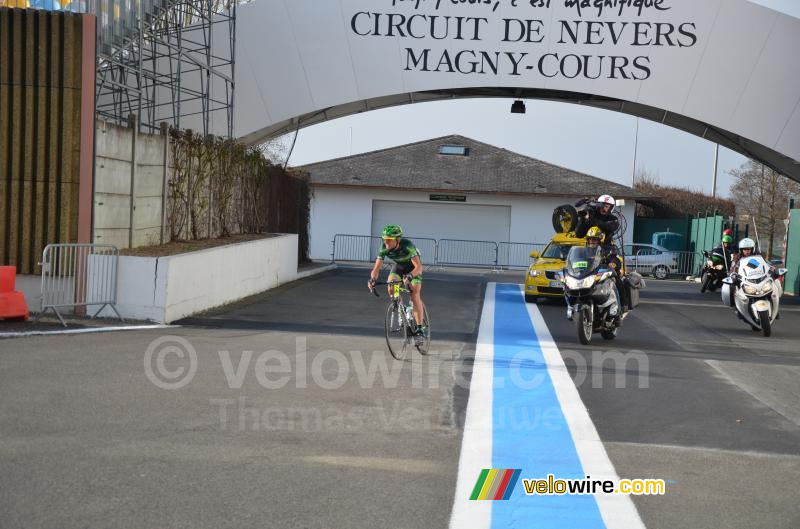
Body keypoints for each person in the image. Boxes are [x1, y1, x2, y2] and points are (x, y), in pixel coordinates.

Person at [368, 224, 427, 344]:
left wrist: (410, 276)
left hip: (413, 269)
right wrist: (372, 279)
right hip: (399, 267)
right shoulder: (384, 246)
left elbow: (419, 267)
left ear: (398, 239)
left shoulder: (407, 245)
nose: (387, 242)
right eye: (385, 239)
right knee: (391, 286)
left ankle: (420, 329)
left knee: (414, 294)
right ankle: (401, 307)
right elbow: (376, 268)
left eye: (389, 240)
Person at [585, 227, 627, 322]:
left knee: (616, 282)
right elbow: (578, 260)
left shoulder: (607, 249)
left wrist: (613, 263)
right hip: (590, 274)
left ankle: (620, 308)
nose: (592, 241)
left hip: (604, 272)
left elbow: (615, 257)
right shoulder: (585, 251)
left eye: (594, 239)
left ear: (599, 240)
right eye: (590, 239)